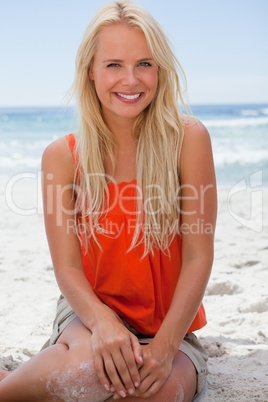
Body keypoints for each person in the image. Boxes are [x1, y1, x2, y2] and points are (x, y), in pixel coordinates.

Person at [0, 1, 217, 400]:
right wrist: (103, 324)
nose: (131, 80)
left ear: (161, 69)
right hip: (88, 314)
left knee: (153, 393)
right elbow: (66, 267)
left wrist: (166, 347)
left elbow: (199, 258)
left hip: (168, 326)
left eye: (145, 64)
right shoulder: (62, 157)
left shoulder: (189, 140)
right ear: (91, 72)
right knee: (85, 371)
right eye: (114, 64)